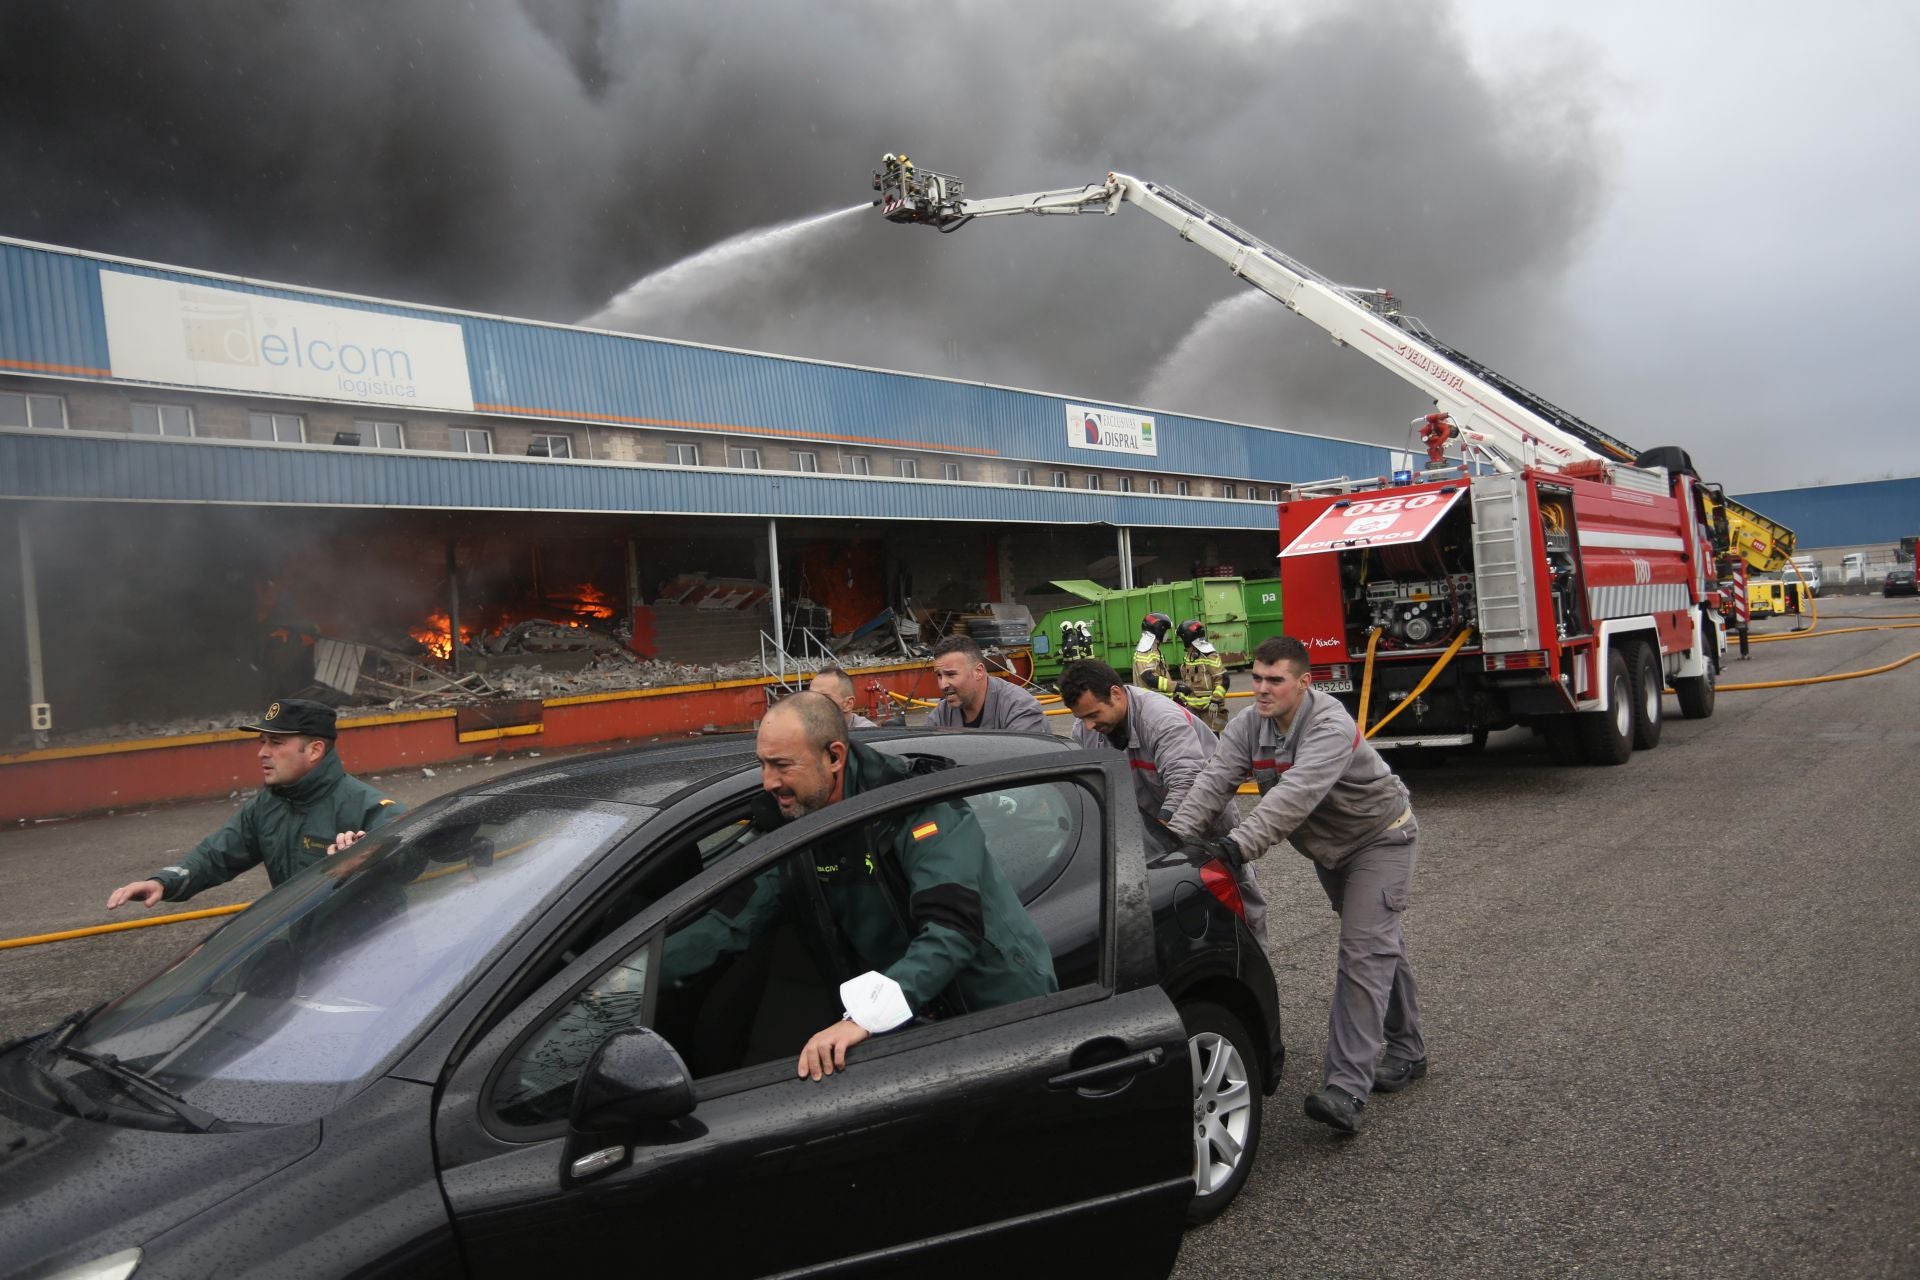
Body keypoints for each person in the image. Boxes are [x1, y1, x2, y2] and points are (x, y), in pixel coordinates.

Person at [676, 693, 1057, 1081]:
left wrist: (865, 1016)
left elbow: (952, 928)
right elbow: (732, 919)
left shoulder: (915, 806)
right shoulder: (802, 821)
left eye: (781, 765)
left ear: (835, 757)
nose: (768, 782)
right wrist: (634, 974)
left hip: (996, 1010)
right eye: (762, 764)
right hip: (908, 1013)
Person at [1166, 636, 1427, 1135]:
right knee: (1378, 944)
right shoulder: (1248, 725)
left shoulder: (1330, 724)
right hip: (1330, 852)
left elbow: (1295, 795)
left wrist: (1238, 846)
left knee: (1362, 955)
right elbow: (1213, 782)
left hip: (1380, 841)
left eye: (1274, 681)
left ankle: (1346, 1089)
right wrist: (1171, 841)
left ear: (1304, 682)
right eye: (1257, 679)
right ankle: (1409, 1050)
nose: (1261, 689)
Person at [105, 699, 405, 909]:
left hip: (368, 959)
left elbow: (415, 851)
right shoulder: (268, 805)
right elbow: (215, 855)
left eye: (275, 743)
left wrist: (371, 854)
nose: (262, 753)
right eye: (262, 742)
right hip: (306, 952)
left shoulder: (369, 806)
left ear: (314, 750)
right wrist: (163, 883)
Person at [1058, 659, 1267, 946]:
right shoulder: (1086, 730)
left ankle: (1256, 959)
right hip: (1153, 834)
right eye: (1081, 717)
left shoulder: (1161, 719)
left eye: (1093, 714)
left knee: (1235, 899)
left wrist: (1158, 835)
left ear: (1116, 694)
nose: (1089, 726)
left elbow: (1188, 782)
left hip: (1206, 825)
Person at [925, 636, 1048, 733]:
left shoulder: (1019, 707)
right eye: (939, 675)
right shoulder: (941, 714)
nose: (942, 685)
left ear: (978, 672)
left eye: (951, 674)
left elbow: (1024, 760)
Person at [1174, 619, 1231, 731]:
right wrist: (1181, 698)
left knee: (1216, 742)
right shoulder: (1189, 655)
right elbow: (1189, 681)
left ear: (1188, 637)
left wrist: (1215, 701)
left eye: (1182, 637)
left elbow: (1224, 680)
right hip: (1194, 710)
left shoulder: (1209, 655)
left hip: (1211, 711)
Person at [809, 664, 880, 729]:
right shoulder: (805, 729)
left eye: (823, 698)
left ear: (848, 704)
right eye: (810, 696)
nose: (813, 704)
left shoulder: (867, 733)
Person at [1132, 612, 1181, 698]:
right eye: (1165, 631)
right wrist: (1176, 686)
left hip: (1159, 701)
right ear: (1159, 630)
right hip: (1150, 703)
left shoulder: (1155, 650)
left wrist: (1174, 695)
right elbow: (1149, 678)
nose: (1166, 634)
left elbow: (1164, 676)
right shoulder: (1145, 651)